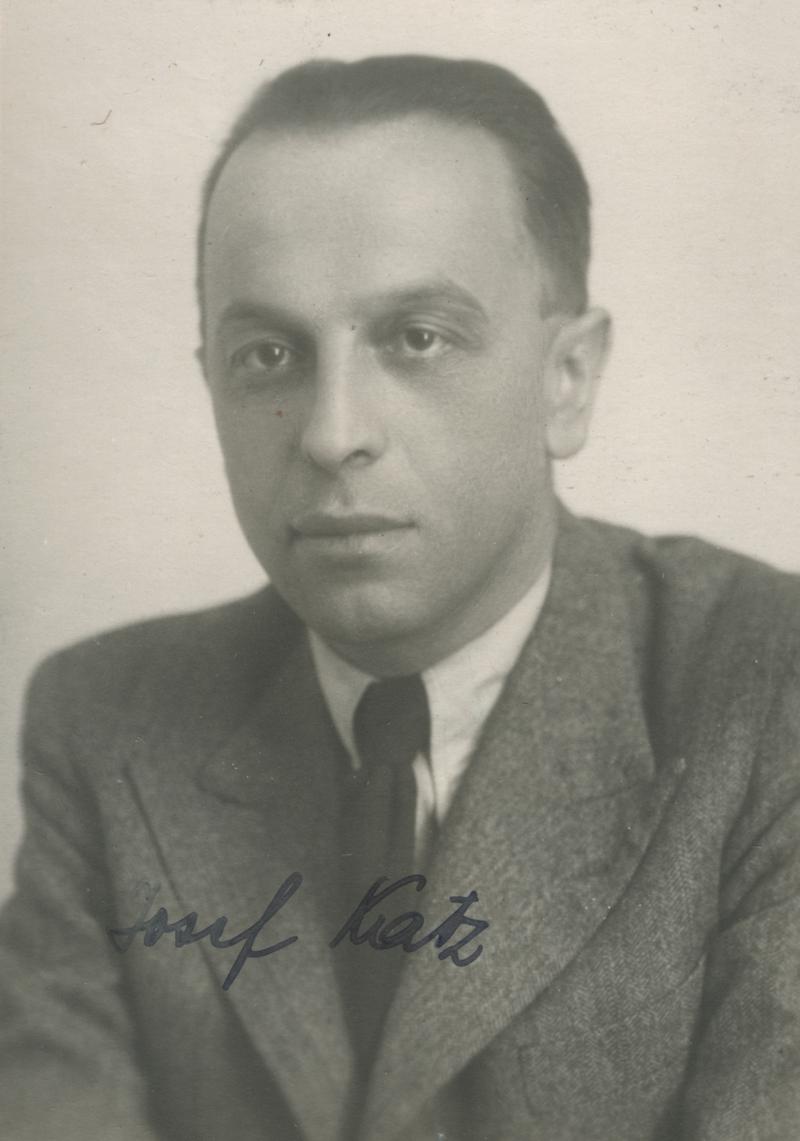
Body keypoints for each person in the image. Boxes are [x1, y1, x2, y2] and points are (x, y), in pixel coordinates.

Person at [1, 54, 798, 1141]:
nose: (332, 433)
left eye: (417, 338)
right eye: (268, 354)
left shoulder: (765, 687)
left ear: (567, 379)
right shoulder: (106, 722)